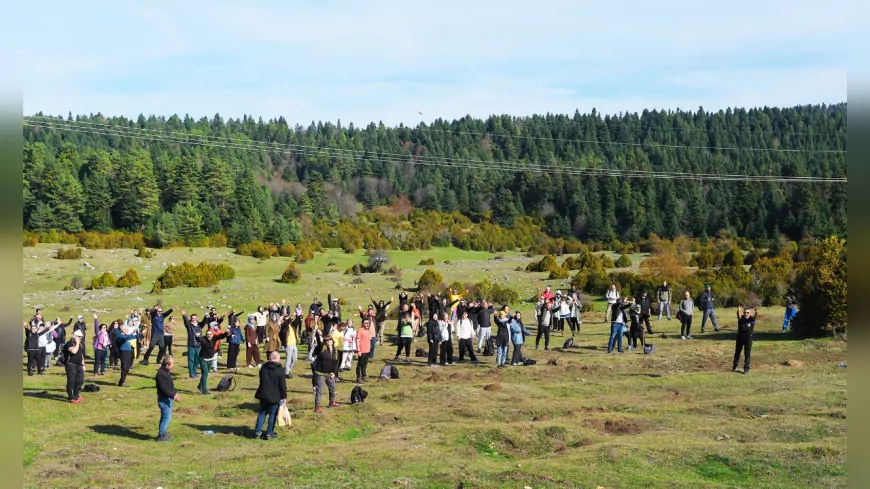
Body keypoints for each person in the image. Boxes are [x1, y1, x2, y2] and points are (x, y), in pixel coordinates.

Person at [254, 351, 287, 440]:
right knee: (272, 414)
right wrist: (284, 396)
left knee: (262, 413)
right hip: (275, 396)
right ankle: (269, 433)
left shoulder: (263, 368)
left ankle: (257, 432)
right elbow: (283, 386)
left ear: (270, 358)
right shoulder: (280, 370)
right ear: (278, 359)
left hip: (264, 394)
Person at [155, 355, 181, 442]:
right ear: (166, 364)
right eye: (172, 365)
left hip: (167, 398)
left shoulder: (165, 372)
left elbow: (169, 386)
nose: (173, 366)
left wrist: (174, 393)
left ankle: (163, 432)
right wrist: (173, 396)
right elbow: (164, 388)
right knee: (166, 417)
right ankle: (161, 435)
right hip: (164, 399)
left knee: (166, 417)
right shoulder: (161, 374)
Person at [197, 327, 228, 395]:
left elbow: (221, 336)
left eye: (210, 334)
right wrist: (197, 336)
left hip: (210, 358)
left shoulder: (214, 338)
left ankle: (200, 385)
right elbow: (199, 339)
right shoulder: (204, 339)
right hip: (203, 358)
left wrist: (226, 333)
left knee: (206, 373)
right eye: (208, 334)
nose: (209, 335)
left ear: (212, 334)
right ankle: (204, 390)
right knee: (205, 374)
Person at [312, 336, 339, 413]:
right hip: (321, 373)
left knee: (332, 388)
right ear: (325, 342)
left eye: (330, 340)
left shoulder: (335, 351)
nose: (329, 341)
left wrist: (334, 373)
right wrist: (318, 333)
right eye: (327, 340)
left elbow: (336, 363)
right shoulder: (322, 349)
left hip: (330, 374)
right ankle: (317, 406)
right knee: (319, 390)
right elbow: (319, 344)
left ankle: (332, 402)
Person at [734, 306, 758, 374]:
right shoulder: (741, 319)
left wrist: (756, 312)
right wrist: (738, 311)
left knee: (747, 353)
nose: (746, 314)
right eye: (745, 312)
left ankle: (746, 368)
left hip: (748, 339)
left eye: (747, 312)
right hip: (740, 338)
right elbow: (738, 316)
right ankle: (735, 366)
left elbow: (755, 317)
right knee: (737, 352)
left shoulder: (751, 319)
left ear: (750, 313)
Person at [64, 330, 86, 403]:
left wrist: (83, 364)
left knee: (80, 380)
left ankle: (76, 395)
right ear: (75, 337)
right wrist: (77, 344)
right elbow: (74, 351)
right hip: (71, 365)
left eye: (81, 337)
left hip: (79, 365)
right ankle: (71, 397)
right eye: (79, 337)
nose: (81, 338)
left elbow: (81, 355)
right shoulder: (69, 343)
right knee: (71, 381)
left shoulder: (81, 344)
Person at [115, 321, 139, 387]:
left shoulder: (126, 335)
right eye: (126, 329)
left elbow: (133, 336)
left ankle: (121, 382)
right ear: (122, 330)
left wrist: (139, 334)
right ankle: (122, 382)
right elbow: (126, 338)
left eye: (127, 329)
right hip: (124, 353)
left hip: (129, 352)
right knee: (125, 368)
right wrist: (132, 334)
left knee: (127, 368)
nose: (127, 330)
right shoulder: (120, 336)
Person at [354, 318, 373, 382]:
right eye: (366, 323)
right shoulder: (360, 330)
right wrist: (358, 350)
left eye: (368, 323)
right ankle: (358, 377)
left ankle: (364, 375)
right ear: (362, 323)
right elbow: (357, 340)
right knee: (360, 364)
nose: (367, 324)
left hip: (367, 350)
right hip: (361, 350)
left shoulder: (368, 331)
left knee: (364, 364)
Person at [282, 313, 299, 379]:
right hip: (288, 344)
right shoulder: (284, 325)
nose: (289, 319)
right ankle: (286, 373)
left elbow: (296, 321)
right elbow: (287, 321)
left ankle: (288, 369)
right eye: (287, 318)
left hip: (294, 344)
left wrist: (299, 315)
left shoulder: (292, 325)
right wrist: (292, 315)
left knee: (294, 359)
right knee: (288, 359)